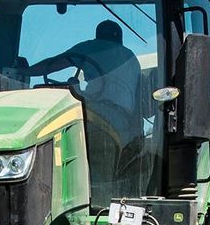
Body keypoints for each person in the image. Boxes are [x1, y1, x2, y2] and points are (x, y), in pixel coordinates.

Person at [22, 21, 152, 199]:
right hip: (123, 123)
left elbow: (53, 65)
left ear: (98, 36)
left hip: (96, 115)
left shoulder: (91, 47)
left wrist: (25, 71)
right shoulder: (130, 57)